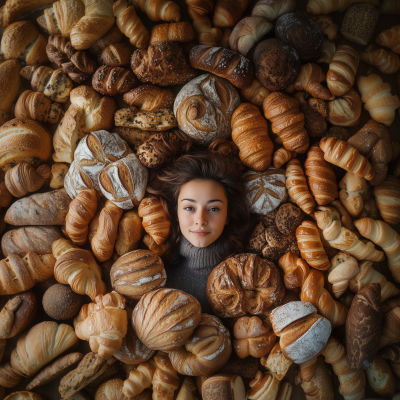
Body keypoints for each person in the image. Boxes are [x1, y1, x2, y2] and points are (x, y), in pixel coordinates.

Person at [147, 150, 253, 313]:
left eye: (213, 208)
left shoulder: (248, 275)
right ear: (176, 213)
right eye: (189, 207)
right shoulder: (155, 274)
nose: (201, 219)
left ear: (227, 215)